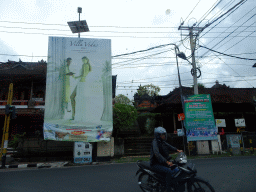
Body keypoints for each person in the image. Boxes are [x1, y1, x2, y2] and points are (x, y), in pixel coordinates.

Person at [150, 127, 183, 192]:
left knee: (176, 169)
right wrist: (166, 162)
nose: (164, 136)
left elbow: (169, 146)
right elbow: (157, 154)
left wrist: (177, 150)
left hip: (162, 162)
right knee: (169, 172)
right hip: (156, 163)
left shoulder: (162, 142)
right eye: (162, 135)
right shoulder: (155, 142)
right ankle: (168, 189)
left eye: (164, 134)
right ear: (158, 135)